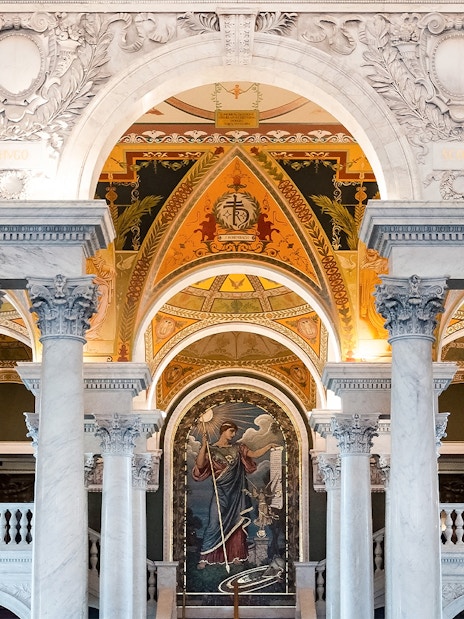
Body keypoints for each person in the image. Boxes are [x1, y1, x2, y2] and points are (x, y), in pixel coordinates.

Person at [192, 420, 277, 569]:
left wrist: (268, 446)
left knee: (237, 523)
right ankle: (206, 557)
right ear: (223, 431)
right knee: (214, 523)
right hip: (221, 492)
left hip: (236, 493)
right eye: (231, 431)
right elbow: (199, 465)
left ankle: (236, 555)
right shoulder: (212, 450)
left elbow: (254, 454)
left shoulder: (238, 448)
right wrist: (204, 445)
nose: (233, 435)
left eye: (234, 432)